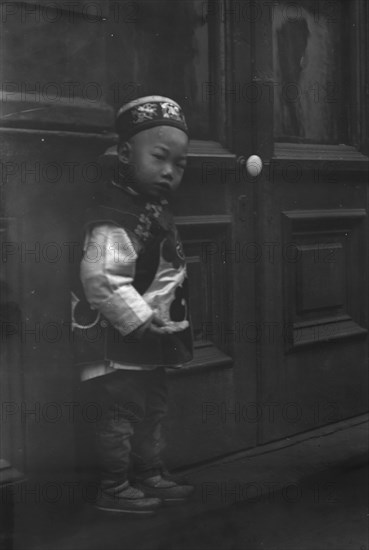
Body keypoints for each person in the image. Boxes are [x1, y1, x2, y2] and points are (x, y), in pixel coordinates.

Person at [71, 96, 194, 515]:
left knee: (152, 408)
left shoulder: (152, 207)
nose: (168, 172)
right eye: (159, 158)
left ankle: (149, 472)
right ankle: (114, 484)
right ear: (126, 153)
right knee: (120, 412)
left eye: (179, 165)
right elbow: (102, 279)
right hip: (118, 342)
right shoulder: (114, 213)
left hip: (150, 337)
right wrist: (141, 320)